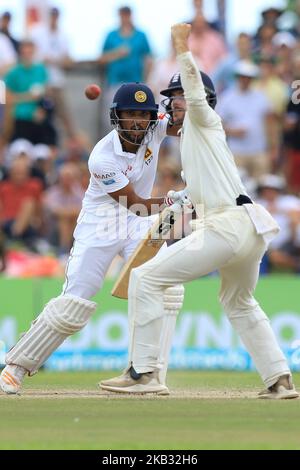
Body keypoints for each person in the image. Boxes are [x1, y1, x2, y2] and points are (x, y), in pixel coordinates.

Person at [100, 23, 299, 399]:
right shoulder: (196, 142)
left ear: (197, 99)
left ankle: (144, 374)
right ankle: (280, 379)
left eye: (175, 98)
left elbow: (193, 93)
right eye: (170, 98)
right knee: (238, 300)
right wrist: (179, 197)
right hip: (248, 230)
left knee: (145, 279)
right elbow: (201, 189)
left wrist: (180, 46)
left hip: (226, 227)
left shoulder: (203, 119)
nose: (171, 104)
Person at [0, 82, 185, 395]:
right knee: (75, 301)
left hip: (139, 223)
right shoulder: (102, 157)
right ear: (117, 117)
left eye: (144, 114)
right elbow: (136, 205)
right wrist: (175, 201)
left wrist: (186, 98)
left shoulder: (154, 129)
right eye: (131, 114)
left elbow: (187, 126)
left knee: (166, 287)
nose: (139, 121)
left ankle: (148, 374)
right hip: (101, 225)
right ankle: (15, 367)